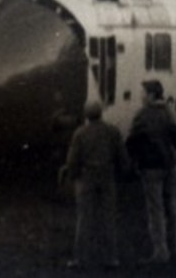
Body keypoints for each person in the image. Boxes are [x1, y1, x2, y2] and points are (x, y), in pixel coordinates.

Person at [126, 80, 176, 264]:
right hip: (170, 164)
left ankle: (161, 251)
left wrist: (134, 160)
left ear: (152, 95)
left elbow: (131, 140)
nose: (141, 95)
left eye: (144, 92)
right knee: (172, 204)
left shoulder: (142, 115)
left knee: (156, 209)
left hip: (151, 167)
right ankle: (174, 245)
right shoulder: (169, 111)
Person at [62, 100, 129, 271]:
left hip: (86, 178)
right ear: (101, 113)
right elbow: (122, 156)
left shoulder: (80, 133)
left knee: (84, 219)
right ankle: (111, 258)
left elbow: (72, 160)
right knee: (108, 218)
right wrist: (123, 172)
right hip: (107, 177)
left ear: (86, 114)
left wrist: (72, 175)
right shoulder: (112, 131)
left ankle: (79, 258)